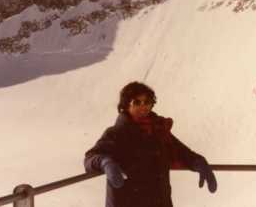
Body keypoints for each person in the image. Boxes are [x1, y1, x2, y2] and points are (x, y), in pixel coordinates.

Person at [84, 81, 217, 207]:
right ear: (126, 105)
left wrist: (198, 162)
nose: (143, 106)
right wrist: (106, 163)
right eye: (137, 102)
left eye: (147, 102)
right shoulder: (117, 133)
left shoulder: (158, 131)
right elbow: (91, 157)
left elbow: (181, 152)